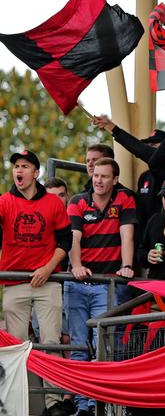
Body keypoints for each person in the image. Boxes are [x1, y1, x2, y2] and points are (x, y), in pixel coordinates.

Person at [0, 151, 72, 416]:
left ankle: (53, 403)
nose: (19, 170)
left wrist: (47, 267)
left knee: (51, 342)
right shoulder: (4, 202)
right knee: (16, 346)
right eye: (16, 166)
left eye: (25, 166)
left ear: (35, 173)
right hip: (13, 282)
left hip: (48, 282)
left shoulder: (53, 203)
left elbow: (66, 241)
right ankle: (20, 405)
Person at [66, 157, 136, 415]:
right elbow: (73, 236)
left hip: (107, 284)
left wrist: (127, 265)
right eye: (96, 175)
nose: (98, 180)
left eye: (105, 176)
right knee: (78, 346)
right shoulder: (78, 201)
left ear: (115, 180)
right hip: (77, 283)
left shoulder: (124, 200)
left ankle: (100, 403)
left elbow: (126, 234)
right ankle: (82, 405)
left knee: (104, 345)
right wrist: (76, 266)